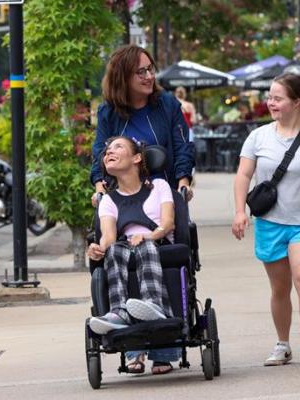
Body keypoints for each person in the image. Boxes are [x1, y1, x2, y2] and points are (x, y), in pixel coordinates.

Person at [231, 73, 300, 368]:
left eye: (277, 98)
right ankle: (283, 343)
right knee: (280, 288)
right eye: (270, 97)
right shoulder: (258, 137)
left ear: (296, 102)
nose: (271, 103)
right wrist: (240, 211)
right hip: (270, 222)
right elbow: (243, 175)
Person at [87, 136, 178, 375]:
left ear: (137, 157)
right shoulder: (108, 200)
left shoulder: (159, 186)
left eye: (118, 147)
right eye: (107, 150)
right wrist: (98, 247)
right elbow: (108, 236)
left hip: (156, 243)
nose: (109, 152)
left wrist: (148, 236)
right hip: (125, 248)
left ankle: (153, 305)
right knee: (114, 250)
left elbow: (168, 223)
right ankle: (119, 313)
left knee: (145, 248)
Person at [90, 45, 194, 206]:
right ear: (122, 77)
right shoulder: (108, 111)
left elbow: (183, 147)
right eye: (141, 72)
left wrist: (183, 182)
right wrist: (99, 187)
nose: (150, 76)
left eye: (151, 69)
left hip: (165, 198)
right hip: (122, 201)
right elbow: (100, 153)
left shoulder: (168, 105)